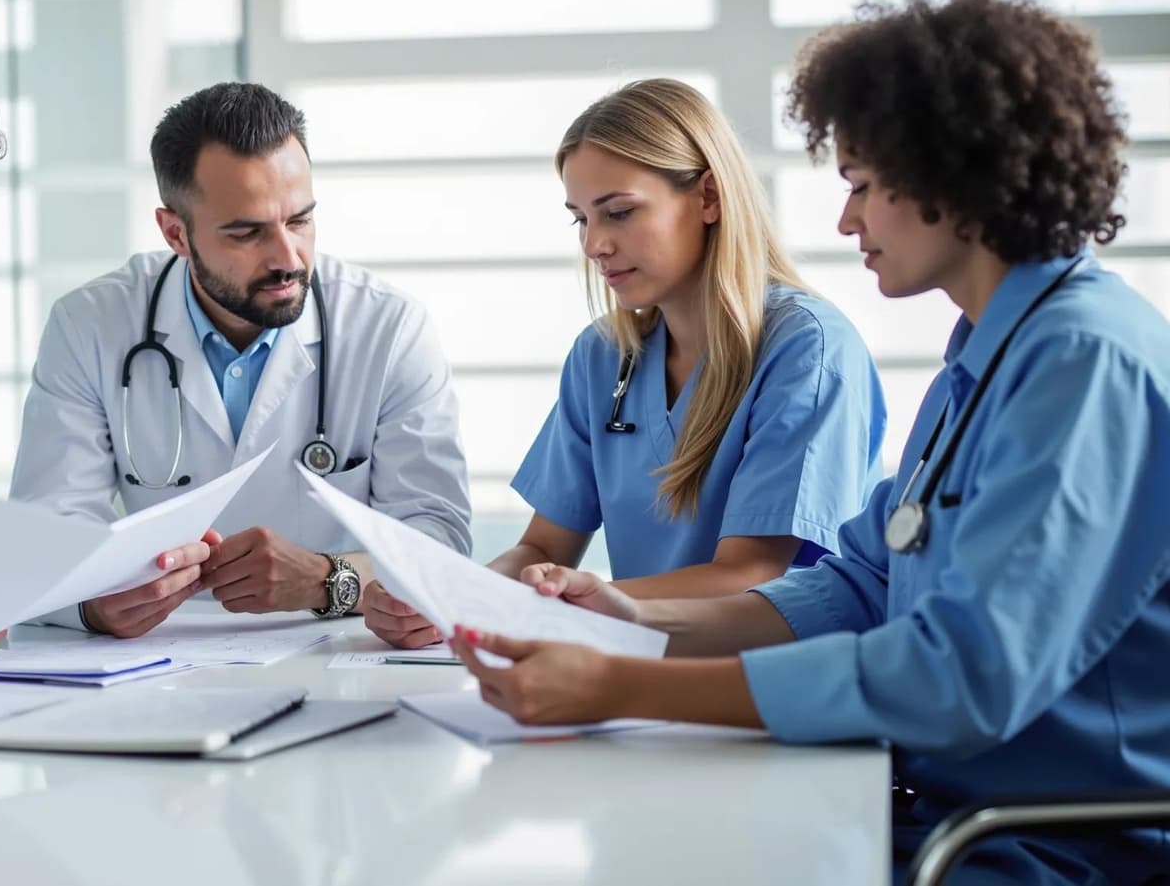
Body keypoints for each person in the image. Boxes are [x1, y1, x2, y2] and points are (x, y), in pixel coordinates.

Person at [448, 0, 1170, 883]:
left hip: (1045, 844)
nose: (845, 218)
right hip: (924, 806)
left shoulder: (1083, 365)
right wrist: (635, 614)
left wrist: (623, 680)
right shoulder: (982, 359)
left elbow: (958, 677)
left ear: (955, 173)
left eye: (864, 185)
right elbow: (863, 582)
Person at [365, 79, 885, 649]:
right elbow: (542, 548)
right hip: (637, 666)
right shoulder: (603, 355)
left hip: (768, 675)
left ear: (709, 198)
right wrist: (454, 600)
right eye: (581, 219)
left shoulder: (806, 348)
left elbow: (752, 573)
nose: (594, 245)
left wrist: (574, 601)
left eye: (618, 213)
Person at [11, 82, 472, 638]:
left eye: (299, 220)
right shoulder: (90, 324)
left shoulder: (387, 327)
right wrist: (92, 604)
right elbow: (45, 530)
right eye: (247, 232)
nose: (287, 257)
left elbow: (437, 539)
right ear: (176, 233)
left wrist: (329, 580)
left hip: (335, 646)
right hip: (151, 656)